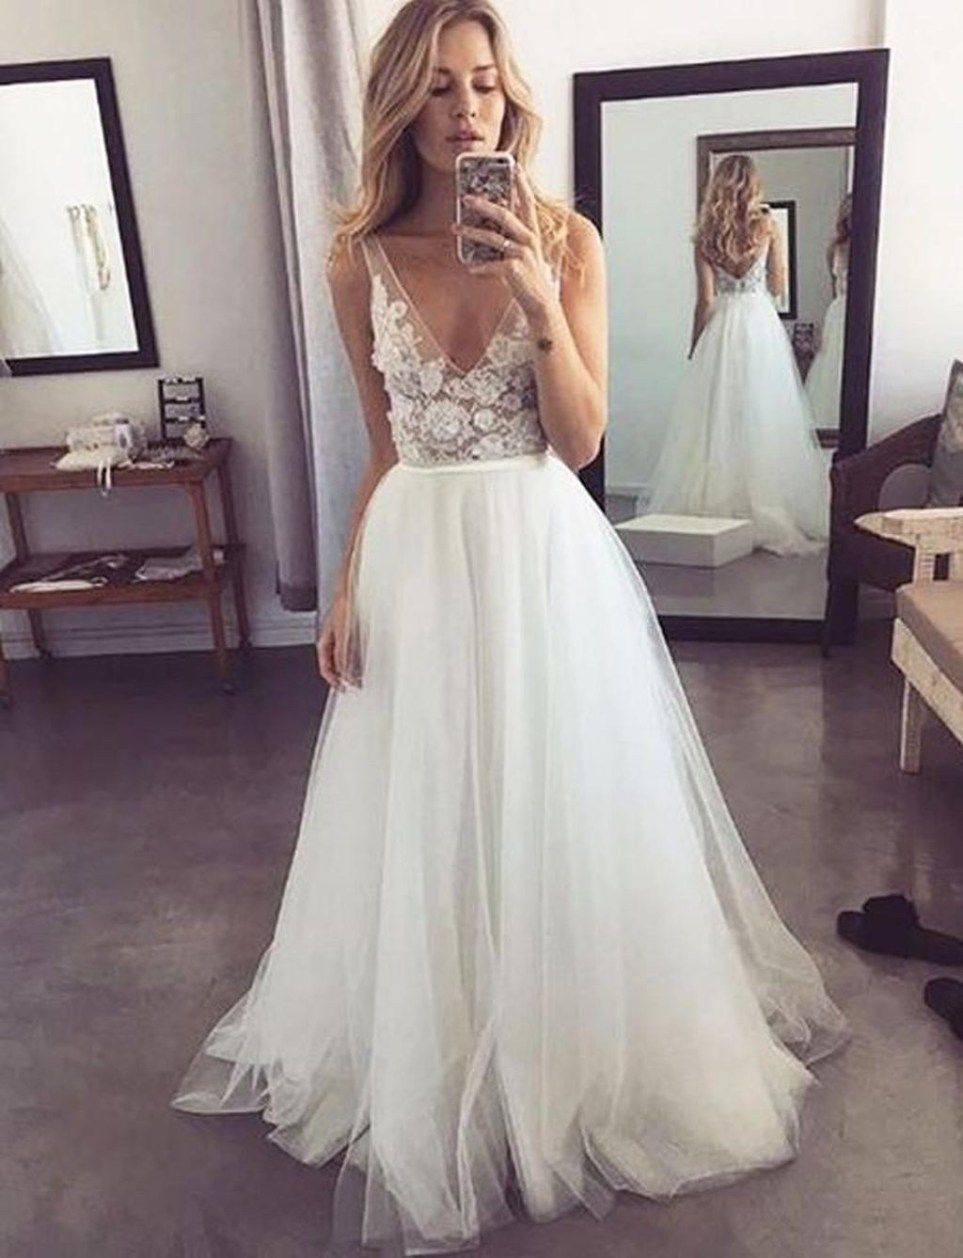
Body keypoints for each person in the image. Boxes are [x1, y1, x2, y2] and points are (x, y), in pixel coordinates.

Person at [169, 5, 851, 1253]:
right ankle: (445, 1034)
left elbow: (581, 442)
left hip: (541, 556)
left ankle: (564, 1042)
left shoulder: (567, 238)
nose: (465, 109)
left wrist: (538, 293)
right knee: (433, 803)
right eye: (437, 87)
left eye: (482, 82)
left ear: (507, 95)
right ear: (401, 105)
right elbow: (384, 446)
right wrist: (346, 581)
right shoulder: (356, 258)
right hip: (417, 559)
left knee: (557, 793)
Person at [646, 154, 829, 556]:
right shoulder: (767, 226)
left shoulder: (706, 236)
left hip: (722, 328)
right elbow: (778, 286)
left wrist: (696, 345)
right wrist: (768, 255)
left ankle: (719, 507)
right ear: (753, 185)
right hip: (759, 324)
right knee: (763, 413)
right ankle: (763, 504)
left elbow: (705, 300)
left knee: (718, 417)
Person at [805, 192, 851, 432]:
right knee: (830, 366)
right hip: (838, 311)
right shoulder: (835, 248)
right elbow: (833, 288)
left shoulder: (871, 245)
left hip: (857, 312)